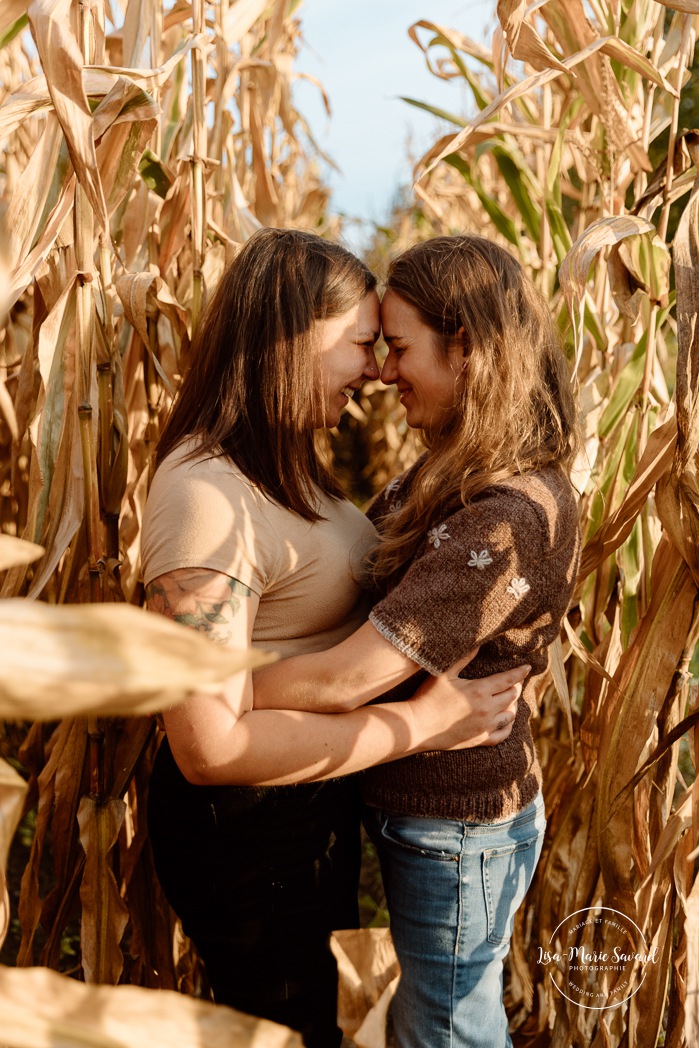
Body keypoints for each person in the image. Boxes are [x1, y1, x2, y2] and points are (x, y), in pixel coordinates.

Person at [142, 227, 526, 1048]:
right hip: (244, 833)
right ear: (288, 337)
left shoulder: (284, 468)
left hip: (305, 808)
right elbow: (207, 746)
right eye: (360, 344)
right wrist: (418, 726)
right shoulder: (203, 494)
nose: (377, 370)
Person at [253, 235, 581, 1047]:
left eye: (397, 348)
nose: (381, 370)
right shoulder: (449, 472)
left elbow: (344, 681)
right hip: (431, 813)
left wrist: (200, 684)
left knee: (443, 1029)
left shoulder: (505, 518)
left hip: (456, 826)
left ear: (465, 346)